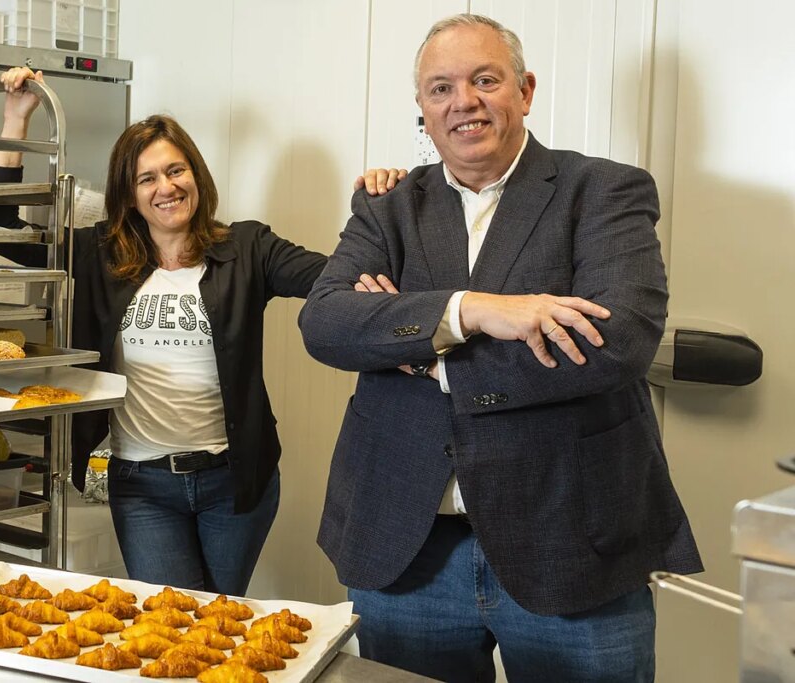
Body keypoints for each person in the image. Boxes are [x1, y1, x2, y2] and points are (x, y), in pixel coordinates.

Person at [299, 13, 702, 683]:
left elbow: (616, 341)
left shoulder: (603, 192)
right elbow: (327, 323)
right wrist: (475, 311)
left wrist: (418, 342)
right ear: (423, 109)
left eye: (485, 79)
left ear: (525, 89)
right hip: (407, 552)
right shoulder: (386, 206)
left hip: (570, 547)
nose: (464, 101)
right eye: (441, 88)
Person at [0, 67, 393, 597]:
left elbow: (334, 280)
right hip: (142, 485)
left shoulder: (248, 248)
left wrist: (382, 206)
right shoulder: (98, 254)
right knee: (173, 624)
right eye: (146, 178)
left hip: (235, 482)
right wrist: (15, 120)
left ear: (196, 175)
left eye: (176, 171)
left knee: (216, 626)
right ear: (128, 196)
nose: (166, 187)